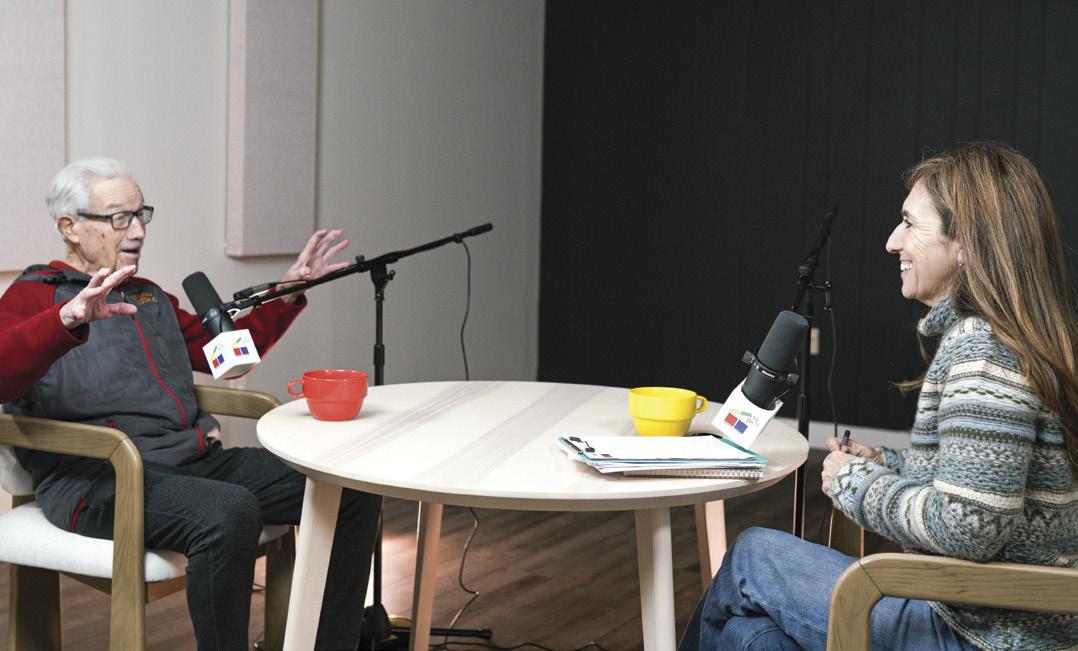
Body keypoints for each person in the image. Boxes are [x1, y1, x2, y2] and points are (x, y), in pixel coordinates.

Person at [679, 143, 1078, 651]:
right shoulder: (1006, 340)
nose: (892, 242)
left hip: (982, 634)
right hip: (988, 619)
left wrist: (856, 483)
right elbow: (986, 486)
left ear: (967, 244)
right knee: (748, 637)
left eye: (910, 224)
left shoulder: (983, 352)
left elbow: (971, 527)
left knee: (753, 556)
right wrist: (887, 465)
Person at [0, 158, 382, 651]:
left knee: (348, 488)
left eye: (141, 214)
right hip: (97, 479)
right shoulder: (33, 296)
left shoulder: (149, 297)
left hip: (189, 462)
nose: (138, 231)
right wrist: (67, 319)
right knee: (229, 511)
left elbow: (224, 357)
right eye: (119, 218)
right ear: (69, 227)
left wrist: (287, 292)